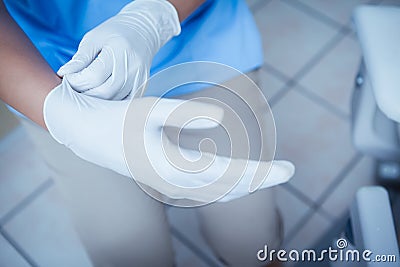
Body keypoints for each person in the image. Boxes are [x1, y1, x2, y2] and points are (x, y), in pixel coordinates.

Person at [0, 0, 294, 266]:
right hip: (53, 78)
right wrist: (62, 114)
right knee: (127, 249)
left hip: (201, 41)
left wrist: (156, 16)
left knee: (250, 232)